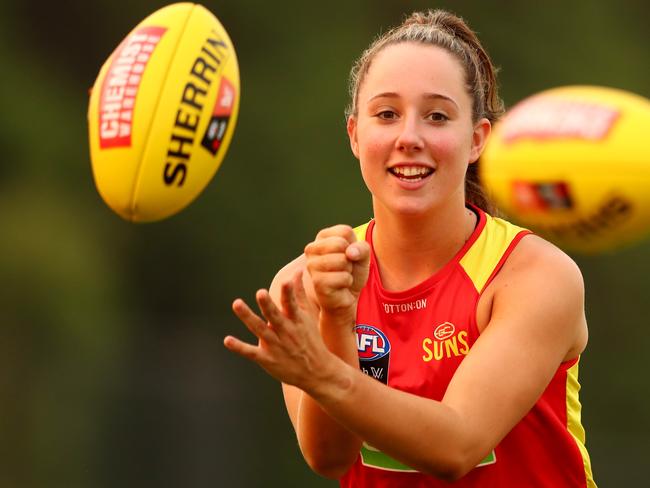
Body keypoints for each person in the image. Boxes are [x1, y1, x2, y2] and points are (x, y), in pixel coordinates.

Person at [224, 9, 596, 488]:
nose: (409, 138)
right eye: (386, 114)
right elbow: (331, 458)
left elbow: (456, 446)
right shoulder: (309, 282)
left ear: (478, 139)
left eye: (437, 116)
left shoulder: (535, 275)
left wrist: (322, 374)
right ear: (355, 135)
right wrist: (337, 317)